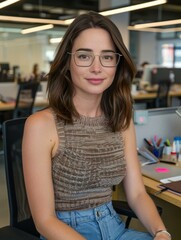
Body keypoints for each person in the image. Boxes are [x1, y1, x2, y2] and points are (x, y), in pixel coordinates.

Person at [22, 12, 171, 240]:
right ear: (67, 62)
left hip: (115, 227)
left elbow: (137, 193)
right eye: (84, 56)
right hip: (65, 233)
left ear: (116, 64)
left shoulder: (121, 118)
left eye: (107, 57)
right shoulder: (41, 125)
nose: (96, 68)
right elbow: (44, 221)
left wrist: (161, 232)